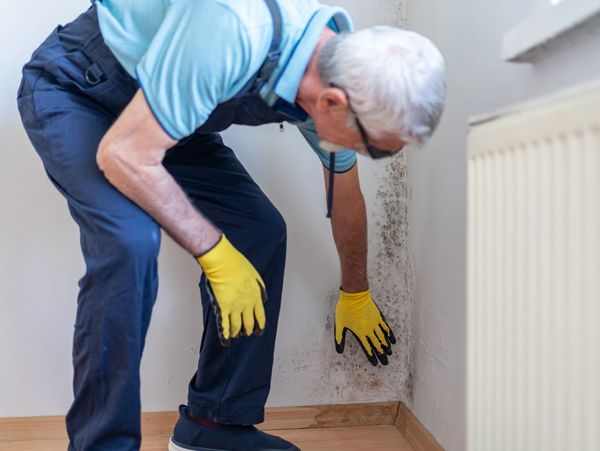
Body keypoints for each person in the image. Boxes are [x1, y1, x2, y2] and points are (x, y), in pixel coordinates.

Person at [16, 0, 446, 450]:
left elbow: (344, 195)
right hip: (79, 91)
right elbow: (123, 155)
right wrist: (215, 253)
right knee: (129, 242)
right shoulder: (233, 26)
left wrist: (355, 291)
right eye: (374, 148)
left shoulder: (329, 77)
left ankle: (214, 428)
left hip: (169, 119)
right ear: (335, 104)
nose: (365, 156)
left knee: (258, 230)